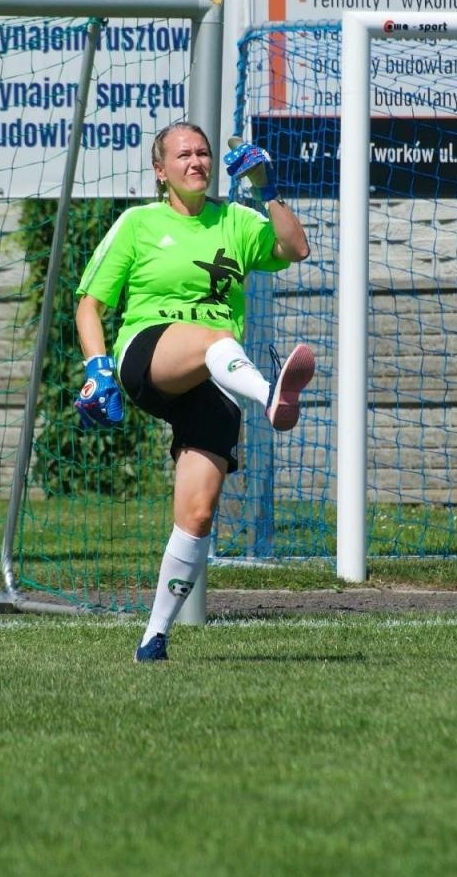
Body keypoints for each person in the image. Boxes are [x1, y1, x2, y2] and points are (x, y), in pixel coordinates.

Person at [75, 122, 312, 662]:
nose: (197, 162)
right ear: (161, 171)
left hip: (217, 375)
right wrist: (97, 367)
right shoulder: (138, 224)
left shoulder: (236, 219)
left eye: (203, 153)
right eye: (183, 155)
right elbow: (89, 304)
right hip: (148, 355)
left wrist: (265, 186)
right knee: (216, 336)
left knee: (199, 514)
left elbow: (295, 247)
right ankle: (270, 394)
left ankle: (153, 637)